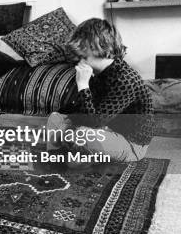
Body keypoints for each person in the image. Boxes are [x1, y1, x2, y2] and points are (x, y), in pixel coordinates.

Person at [46, 18, 154, 165]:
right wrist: (66, 120)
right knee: (56, 118)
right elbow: (81, 111)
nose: (77, 60)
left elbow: (94, 122)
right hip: (105, 129)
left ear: (101, 47)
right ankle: (55, 158)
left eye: (82, 54)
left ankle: (76, 155)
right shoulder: (97, 73)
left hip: (131, 144)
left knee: (83, 134)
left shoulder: (125, 80)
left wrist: (83, 85)